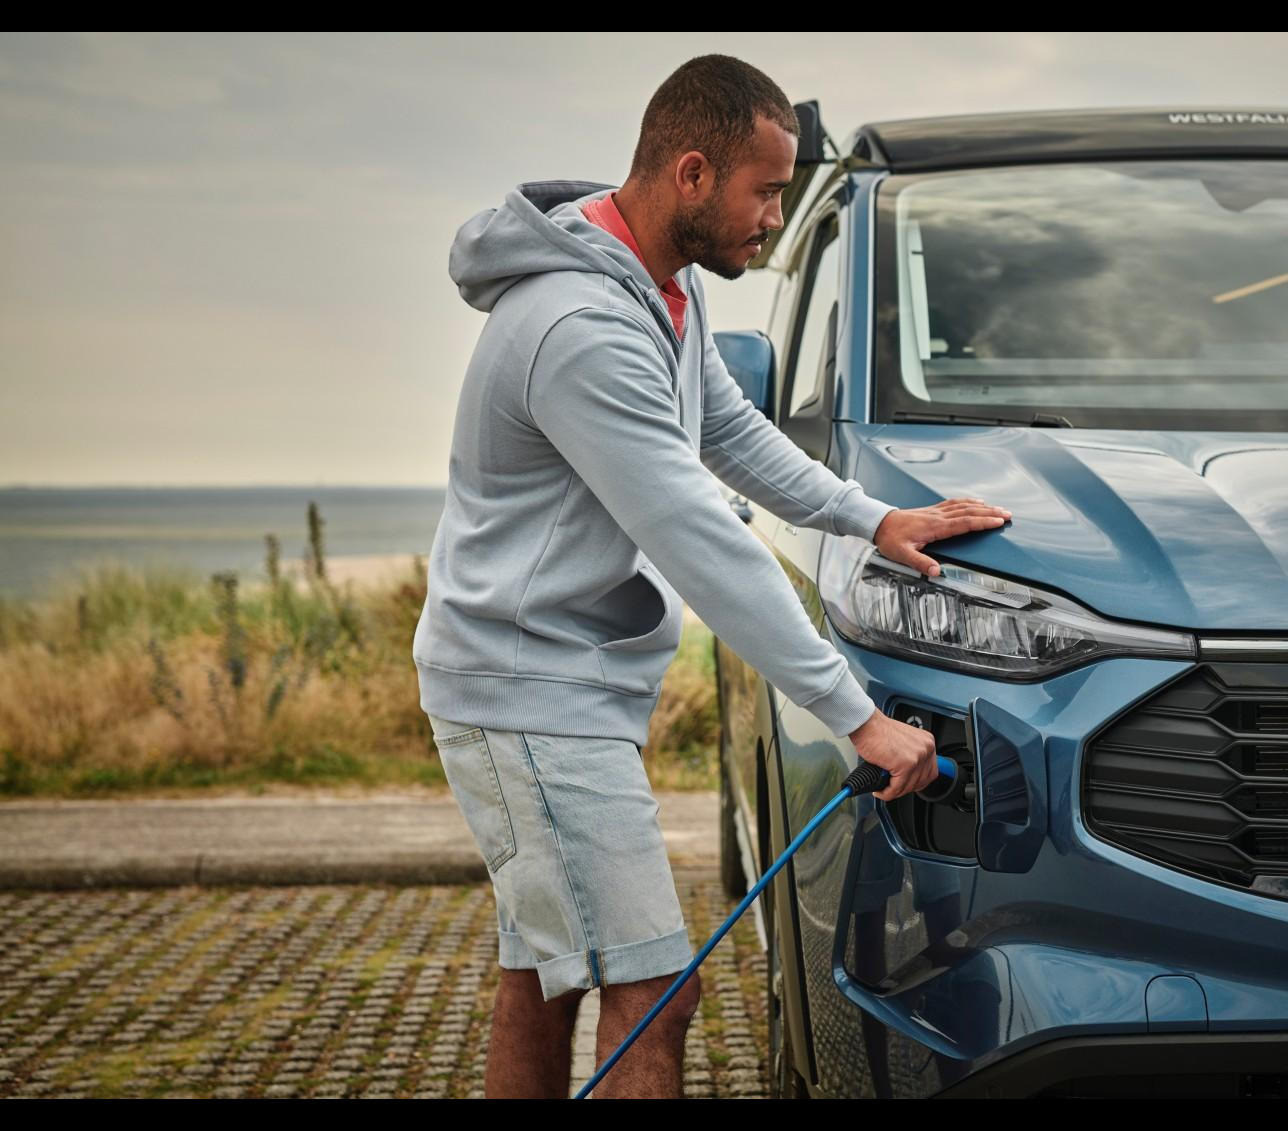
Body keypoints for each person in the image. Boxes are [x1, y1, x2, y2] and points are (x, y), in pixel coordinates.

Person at [413, 53, 1013, 1099]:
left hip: (546, 690)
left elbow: (728, 433)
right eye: (766, 192)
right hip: (530, 702)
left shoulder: (660, 285)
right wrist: (852, 715)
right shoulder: (582, 329)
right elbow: (698, 533)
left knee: (546, 975)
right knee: (656, 994)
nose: (774, 219)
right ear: (691, 173)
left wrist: (873, 518)